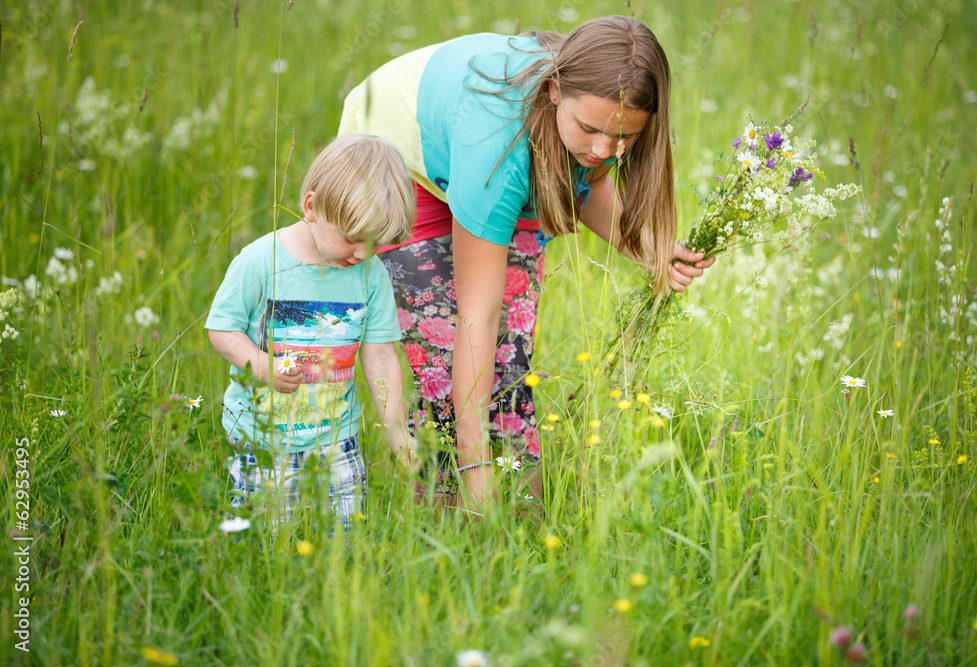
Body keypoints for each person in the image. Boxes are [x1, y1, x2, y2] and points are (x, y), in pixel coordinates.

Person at [338, 16, 714, 506]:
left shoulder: (591, 118)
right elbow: (477, 317)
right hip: (399, 160)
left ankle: (522, 519)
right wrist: (476, 470)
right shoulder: (494, 144)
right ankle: (451, 519)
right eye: (591, 130)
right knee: (446, 346)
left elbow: (589, 181)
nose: (603, 151)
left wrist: (648, 251)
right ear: (555, 90)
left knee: (508, 356)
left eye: (622, 139)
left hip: (498, 151)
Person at [205, 134, 417, 534]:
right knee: (263, 544)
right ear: (311, 207)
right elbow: (222, 329)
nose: (363, 254)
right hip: (262, 440)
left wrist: (397, 431)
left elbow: (381, 356)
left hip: (338, 440)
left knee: (345, 543)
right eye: (353, 239)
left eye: (376, 244)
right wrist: (260, 365)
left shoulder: (369, 275)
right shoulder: (260, 261)